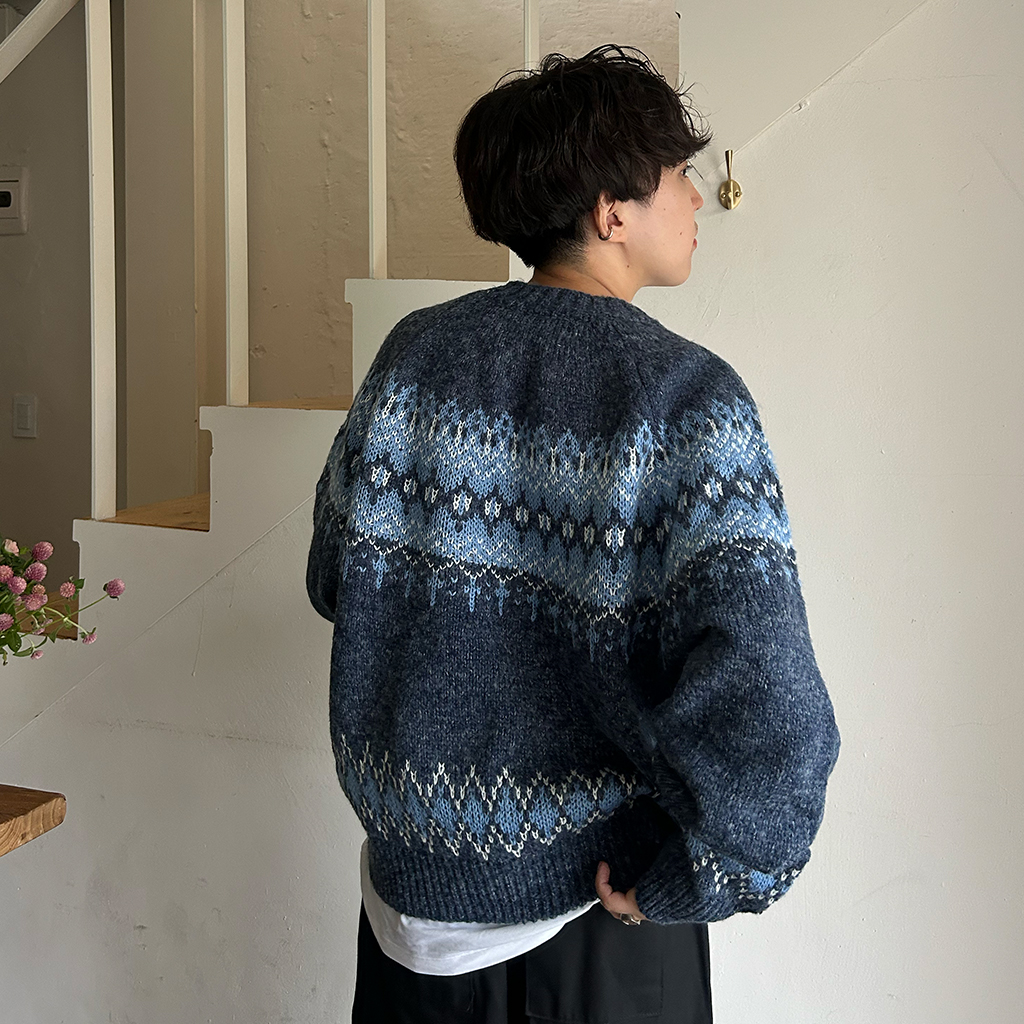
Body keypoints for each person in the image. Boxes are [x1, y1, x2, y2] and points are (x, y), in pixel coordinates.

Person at [305, 44, 841, 1024]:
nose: (695, 197)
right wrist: (700, 877)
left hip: (413, 919)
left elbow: (334, 575)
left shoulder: (413, 358)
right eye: (676, 173)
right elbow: (770, 703)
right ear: (610, 211)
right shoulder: (685, 399)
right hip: (603, 922)